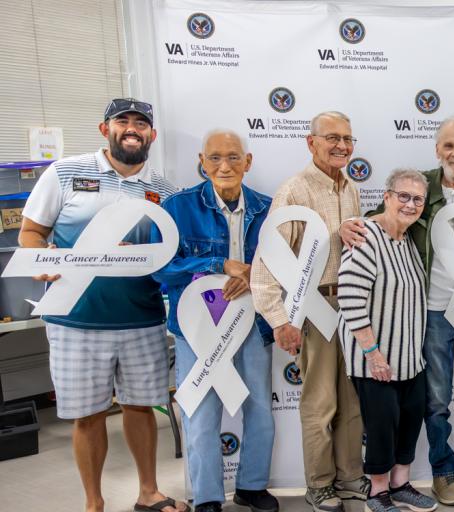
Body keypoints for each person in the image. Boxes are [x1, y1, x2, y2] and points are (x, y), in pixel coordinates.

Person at [19, 98, 186, 512]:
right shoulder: (64, 172)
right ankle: (94, 504)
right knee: (88, 415)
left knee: (141, 407)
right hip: (75, 318)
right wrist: (42, 260)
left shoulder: (165, 191)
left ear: (152, 134)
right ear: (104, 129)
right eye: (122, 121)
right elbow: (31, 232)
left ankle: (148, 493)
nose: (132, 129)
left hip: (142, 317)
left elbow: (171, 253)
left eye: (140, 124)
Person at [340, 116, 454, 506]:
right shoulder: (419, 187)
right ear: (437, 150)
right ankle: (443, 473)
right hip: (432, 313)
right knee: (436, 400)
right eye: (449, 145)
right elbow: (380, 219)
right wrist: (346, 225)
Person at [153, 130, 278, 512]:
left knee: (260, 406)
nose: (225, 166)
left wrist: (253, 276)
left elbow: (283, 266)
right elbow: (161, 268)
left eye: (234, 157)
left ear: (248, 162)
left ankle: (252, 486)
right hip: (196, 328)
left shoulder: (268, 208)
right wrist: (218, 265)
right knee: (200, 411)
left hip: (253, 323)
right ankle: (207, 496)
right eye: (215, 158)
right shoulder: (178, 207)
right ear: (202, 162)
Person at [250, 111, 368, 511]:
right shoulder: (294, 190)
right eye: (332, 137)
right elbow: (267, 261)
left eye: (347, 138)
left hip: (351, 305)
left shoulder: (352, 188)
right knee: (320, 403)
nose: (341, 146)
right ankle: (319, 484)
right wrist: (279, 320)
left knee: (352, 400)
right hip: (313, 306)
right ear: (311, 142)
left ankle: (350, 476)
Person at [338, 169, 437, 512]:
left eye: (418, 199)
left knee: (409, 422)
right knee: (381, 427)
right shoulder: (365, 236)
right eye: (403, 196)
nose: (410, 204)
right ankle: (377, 493)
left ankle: (400, 485)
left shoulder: (408, 240)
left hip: (410, 359)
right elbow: (350, 297)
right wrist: (372, 353)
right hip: (376, 360)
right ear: (387, 197)